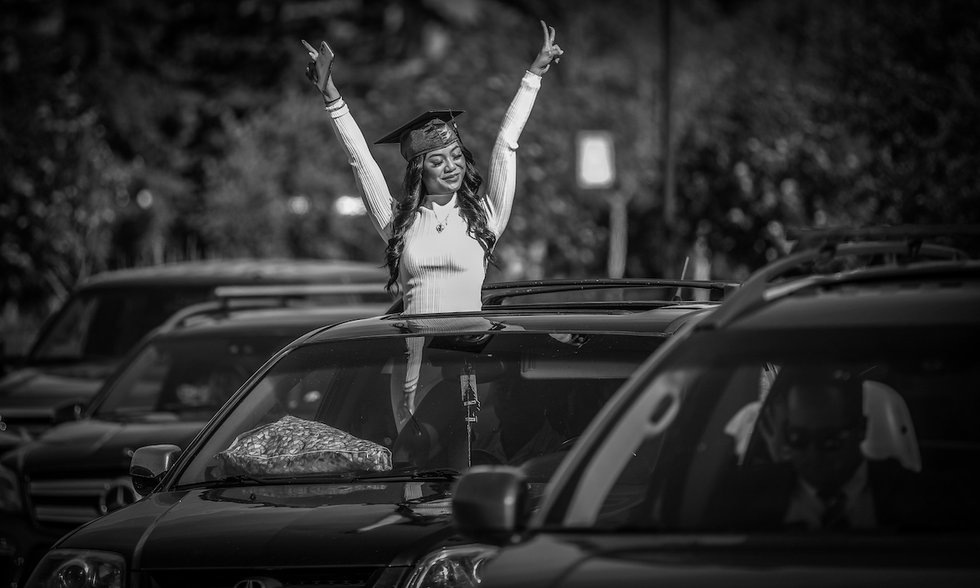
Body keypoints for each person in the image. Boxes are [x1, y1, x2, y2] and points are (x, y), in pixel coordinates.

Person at [302, 22, 563, 416]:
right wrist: (331, 95)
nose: (451, 167)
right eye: (437, 161)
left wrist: (534, 76)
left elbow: (506, 145)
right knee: (416, 470)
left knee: (466, 467)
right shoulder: (399, 225)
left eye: (457, 156)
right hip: (413, 371)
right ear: (418, 171)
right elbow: (362, 163)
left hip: (472, 366)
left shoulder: (485, 219)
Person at [721, 367, 928, 531]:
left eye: (829, 439)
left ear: (862, 429)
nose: (812, 453)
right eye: (798, 438)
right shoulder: (745, 502)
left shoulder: (922, 502)